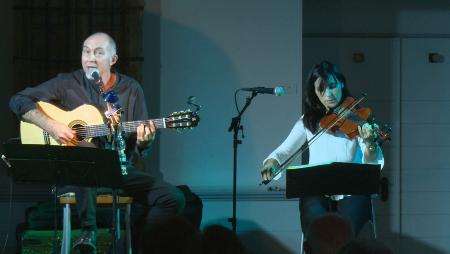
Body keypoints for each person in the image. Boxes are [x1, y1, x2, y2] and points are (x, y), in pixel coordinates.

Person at [9, 32, 185, 253]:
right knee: (87, 154)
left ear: (113, 60)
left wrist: (143, 141)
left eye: (98, 53)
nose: (90, 58)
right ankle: (87, 233)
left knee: (173, 198)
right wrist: (51, 126)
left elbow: (141, 151)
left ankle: (142, 245)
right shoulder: (66, 83)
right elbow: (18, 101)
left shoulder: (131, 90)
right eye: (86, 51)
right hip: (75, 174)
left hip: (119, 171)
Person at [260, 61, 384, 237]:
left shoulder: (357, 117)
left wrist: (370, 142)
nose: (328, 94)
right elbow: (285, 151)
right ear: (314, 91)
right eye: (321, 89)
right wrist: (272, 162)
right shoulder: (308, 121)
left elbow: (371, 161)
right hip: (316, 189)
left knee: (348, 232)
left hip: (352, 189)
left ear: (341, 83)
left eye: (332, 86)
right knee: (317, 230)